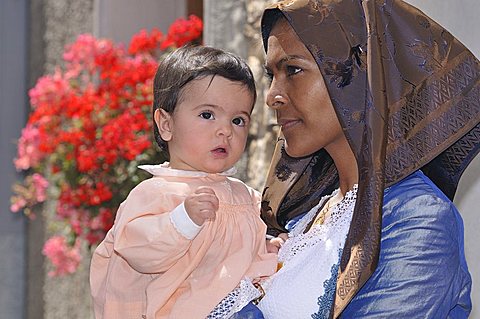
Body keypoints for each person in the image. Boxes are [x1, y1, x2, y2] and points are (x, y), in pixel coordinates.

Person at [257, 0, 479, 318]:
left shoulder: (417, 220)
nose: (272, 96)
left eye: (293, 70)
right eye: (271, 75)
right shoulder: (309, 215)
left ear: (356, 76)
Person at [89, 45, 277, 319]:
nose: (225, 130)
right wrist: (182, 221)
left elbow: (246, 256)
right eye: (207, 115)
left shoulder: (246, 197)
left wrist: (268, 248)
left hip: (238, 306)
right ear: (166, 125)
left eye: (238, 120)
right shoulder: (157, 193)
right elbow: (136, 249)